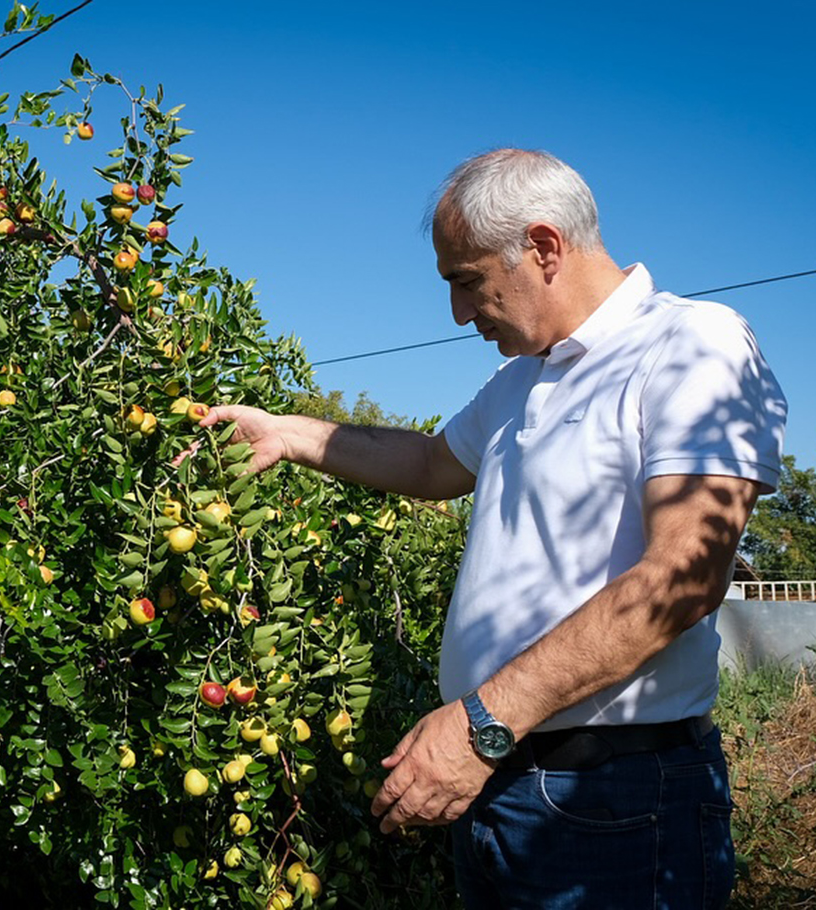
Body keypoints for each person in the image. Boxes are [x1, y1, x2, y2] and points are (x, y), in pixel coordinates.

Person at [203, 148, 787, 908]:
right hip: (500, 783)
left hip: (614, 800)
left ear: (543, 248)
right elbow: (427, 464)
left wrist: (483, 723)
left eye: (467, 281)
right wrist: (289, 433)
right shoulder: (522, 379)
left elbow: (683, 577)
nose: (457, 313)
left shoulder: (691, 345)